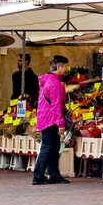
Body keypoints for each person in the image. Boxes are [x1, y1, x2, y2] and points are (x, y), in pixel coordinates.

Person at [31, 55, 70, 186]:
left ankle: (54, 175)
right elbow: (56, 105)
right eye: (65, 67)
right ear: (59, 66)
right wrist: (61, 124)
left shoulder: (47, 81)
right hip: (50, 120)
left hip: (45, 118)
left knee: (53, 147)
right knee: (47, 148)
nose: (66, 70)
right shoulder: (55, 83)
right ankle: (38, 176)